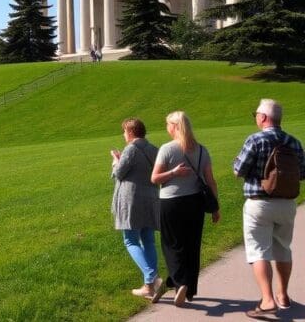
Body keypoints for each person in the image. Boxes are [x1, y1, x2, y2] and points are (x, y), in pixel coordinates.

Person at [233, 99, 305, 319]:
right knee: (283, 248)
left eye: (256, 114)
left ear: (263, 117)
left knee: (258, 250)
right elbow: (302, 173)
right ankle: (283, 296)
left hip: (259, 202)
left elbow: (239, 169)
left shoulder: (255, 139)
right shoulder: (294, 142)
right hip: (287, 203)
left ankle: (267, 300)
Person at [151, 111, 220, 306]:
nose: (167, 128)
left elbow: (154, 178)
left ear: (174, 127)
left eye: (168, 125)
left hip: (171, 202)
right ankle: (186, 287)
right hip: (195, 202)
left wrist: (173, 173)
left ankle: (180, 282)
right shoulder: (201, 150)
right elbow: (211, 181)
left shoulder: (167, 149)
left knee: (172, 244)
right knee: (192, 245)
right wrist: (215, 207)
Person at [110, 118, 161, 298]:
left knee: (130, 241)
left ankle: (152, 277)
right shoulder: (154, 149)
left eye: (124, 131)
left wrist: (115, 161)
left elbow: (119, 173)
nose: (124, 135)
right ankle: (150, 287)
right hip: (151, 197)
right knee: (148, 240)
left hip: (132, 199)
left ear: (131, 132)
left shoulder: (130, 149)